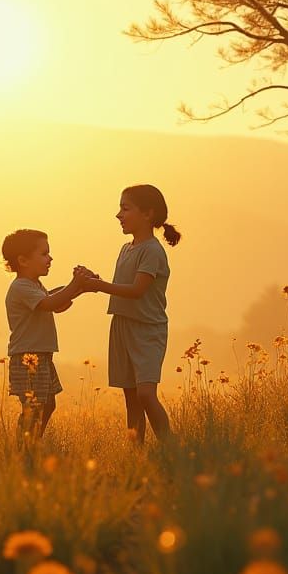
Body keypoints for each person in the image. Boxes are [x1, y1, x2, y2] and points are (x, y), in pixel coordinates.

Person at [77, 184, 181, 442]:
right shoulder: (126, 249)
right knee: (132, 399)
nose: (119, 215)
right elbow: (122, 287)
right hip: (122, 326)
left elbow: (136, 290)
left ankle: (172, 449)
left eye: (125, 208)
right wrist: (93, 281)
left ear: (147, 214)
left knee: (145, 394)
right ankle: (136, 457)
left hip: (147, 329)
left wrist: (98, 286)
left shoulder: (153, 251)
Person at [2, 228, 91, 444]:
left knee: (47, 403)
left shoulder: (34, 286)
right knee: (34, 406)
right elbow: (50, 303)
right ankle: (24, 448)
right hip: (28, 358)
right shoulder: (21, 287)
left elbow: (56, 301)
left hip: (41, 356)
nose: (50, 258)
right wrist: (75, 284)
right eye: (44, 253)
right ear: (23, 260)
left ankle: (31, 443)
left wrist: (80, 288)